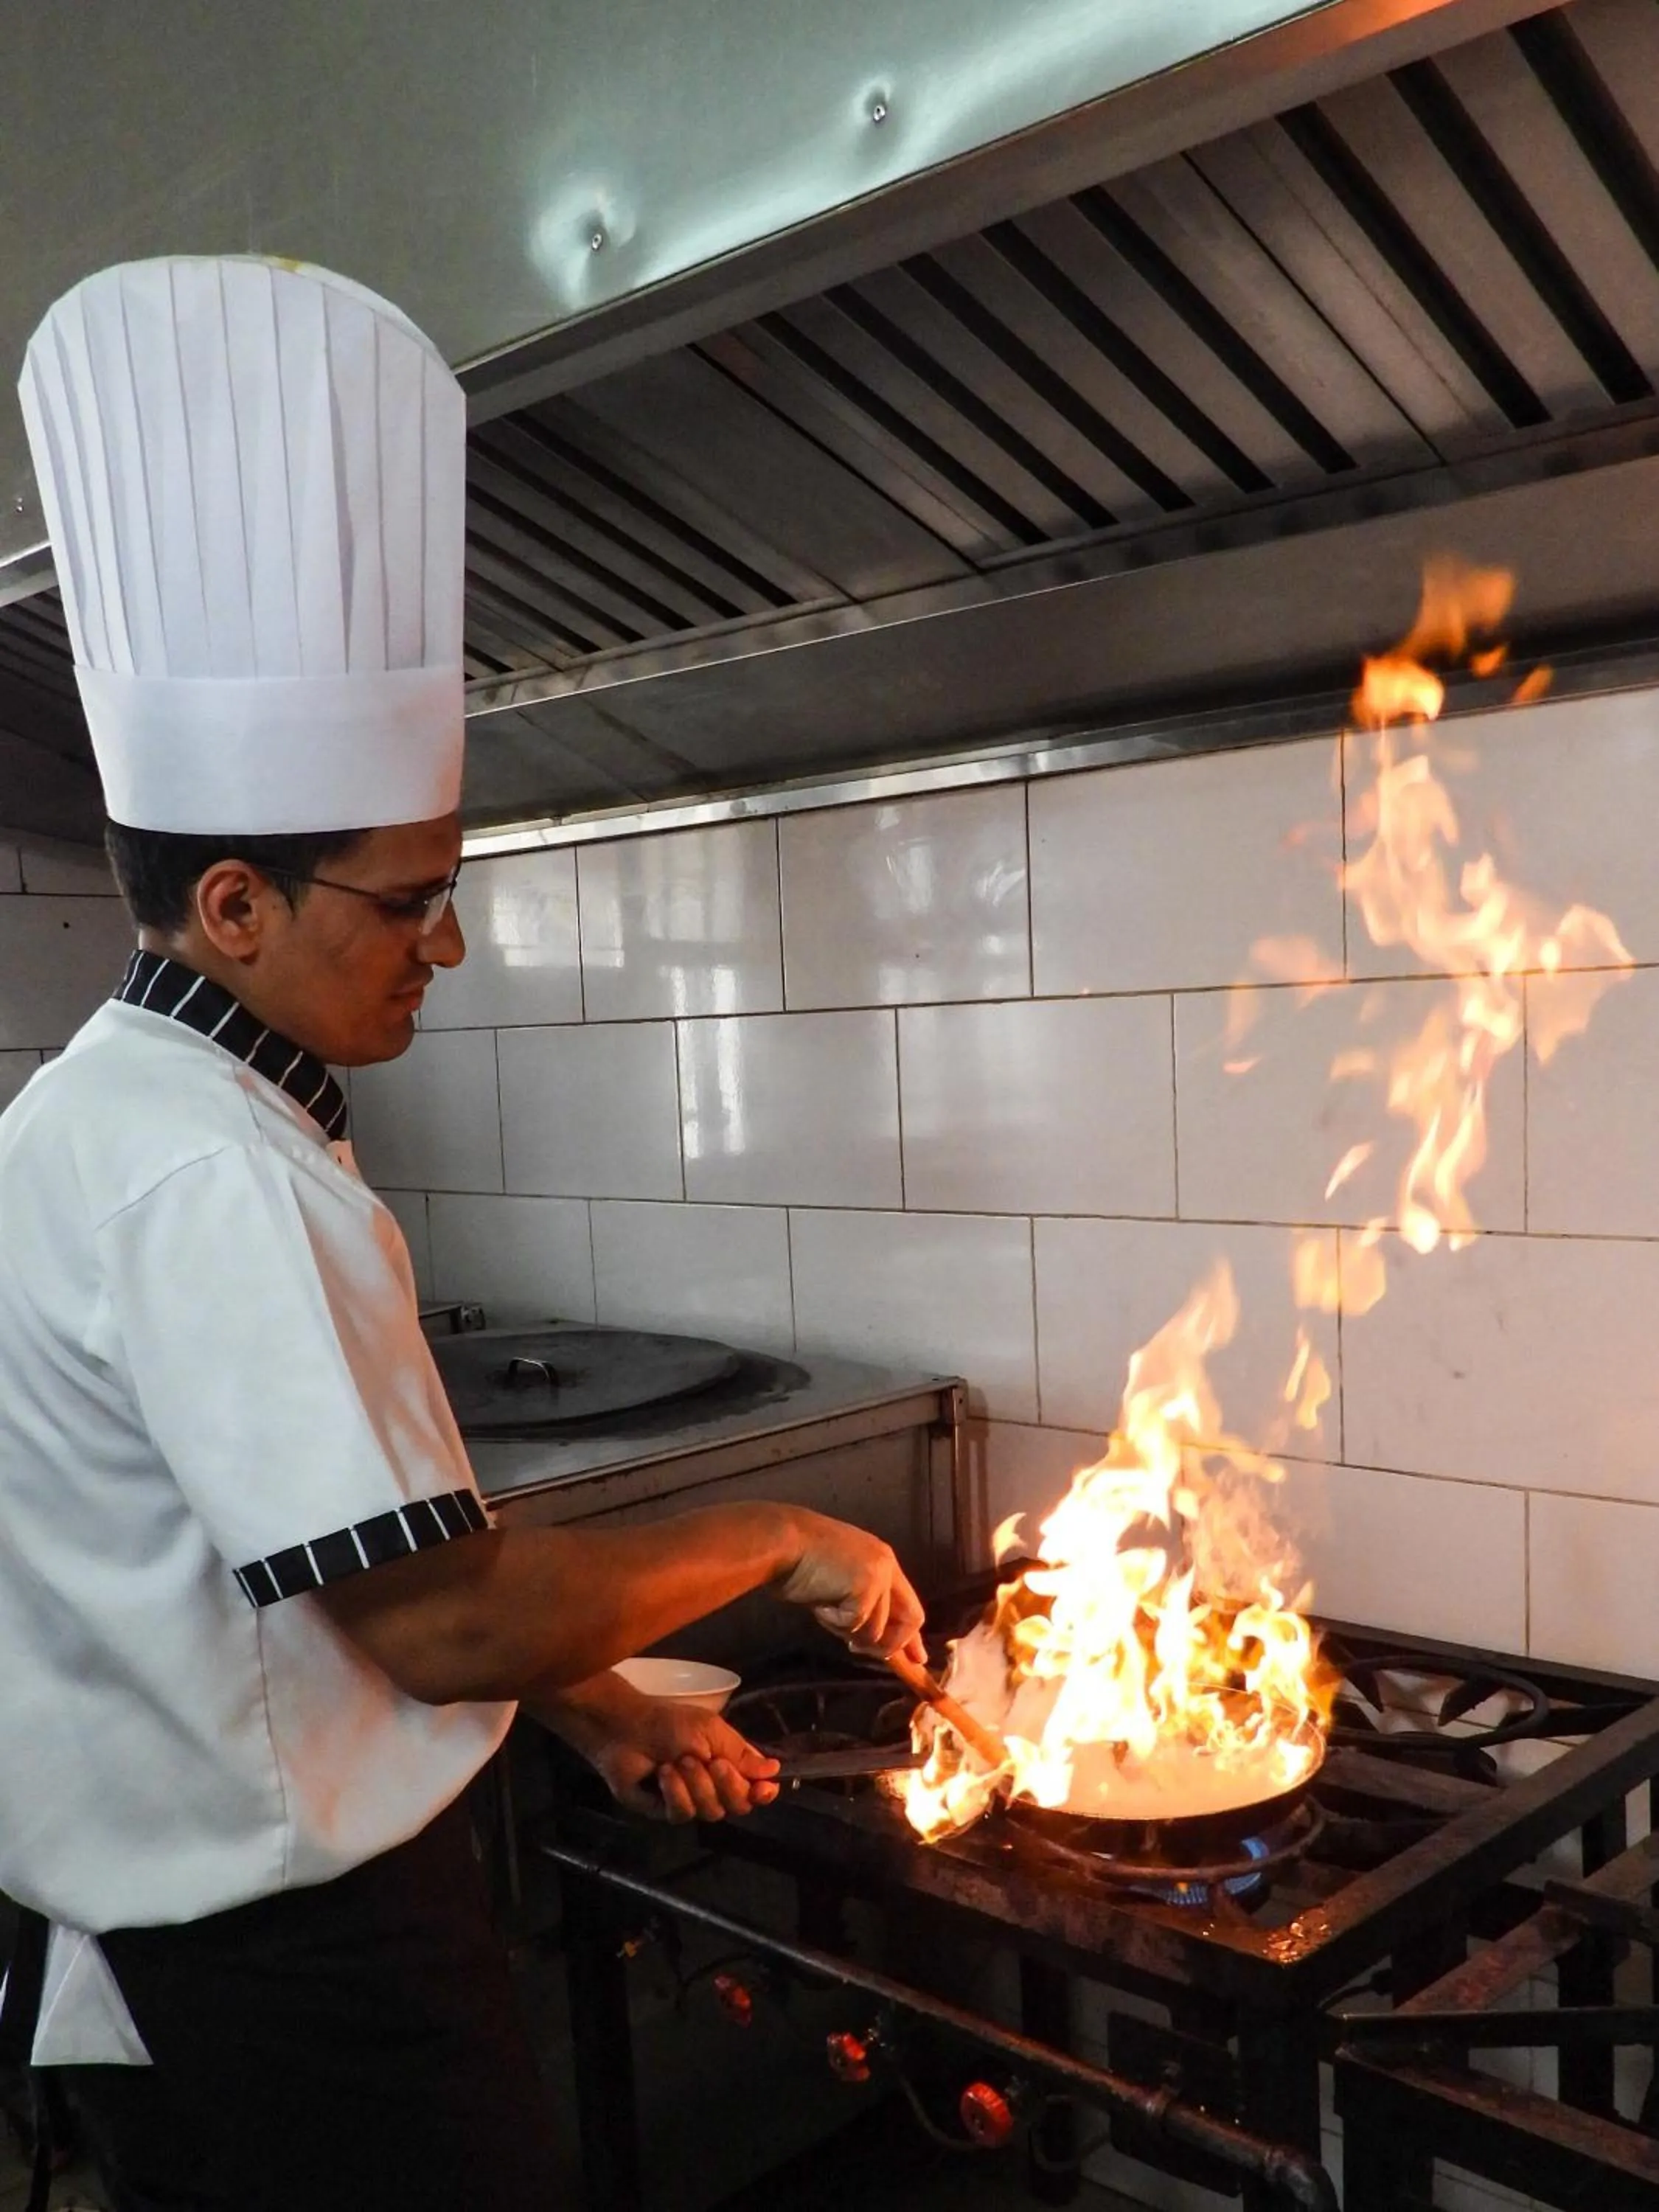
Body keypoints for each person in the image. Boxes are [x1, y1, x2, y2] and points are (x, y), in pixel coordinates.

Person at [0, 257, 925, 2212]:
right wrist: (782, 1531)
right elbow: (431, 1621)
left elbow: (272, 1582)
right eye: (405, 899)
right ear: (234, 903)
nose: (451, 940)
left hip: (192, 1959)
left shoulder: (112, 1113)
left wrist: (588, 1705)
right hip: (296, 1979)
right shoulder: (208, 1180)